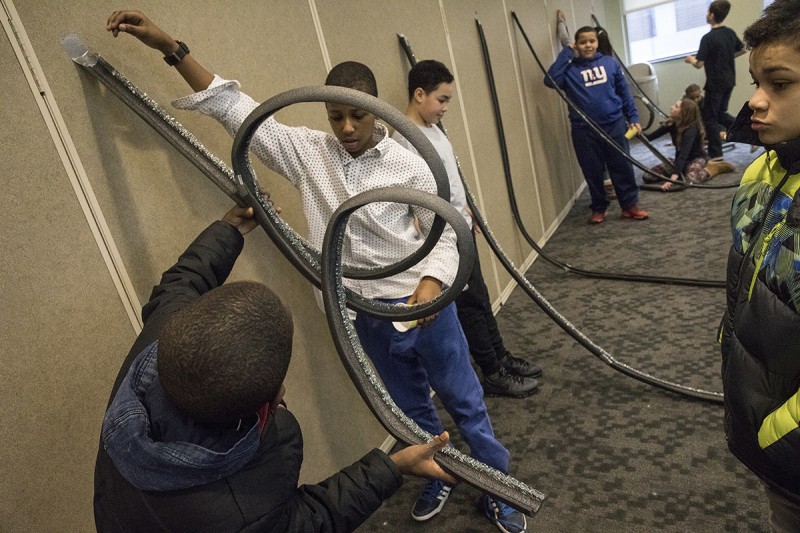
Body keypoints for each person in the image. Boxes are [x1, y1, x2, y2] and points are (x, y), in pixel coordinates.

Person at [106, 10, 527, 532]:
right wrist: (171, 47)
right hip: (363, 314)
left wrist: (430, 283)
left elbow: (444, 234)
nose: (346, 129)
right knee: (406, 412)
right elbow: (235, 108)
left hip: (426, 305)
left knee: (466, 403)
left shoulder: (411, 164)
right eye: (334, 118)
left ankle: (499, 487)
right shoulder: (309, 153)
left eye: (357, 117)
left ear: (376, 111)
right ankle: (437, 474)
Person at [93, 203, 456, 532]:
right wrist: (393, 468)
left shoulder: (160, 339)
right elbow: (312, 521)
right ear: (272, 400)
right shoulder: (245, 511)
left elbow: (182, 282)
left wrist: (227, 230)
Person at [392, 59, 541, 400]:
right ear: (419, 94)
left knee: (481, 297)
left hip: (460, 227)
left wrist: (465, 208)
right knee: (471, 304)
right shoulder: (406, 142)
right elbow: (414, 199)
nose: (446, 108)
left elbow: (447, 181)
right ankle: (491, 372)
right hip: (444, 238)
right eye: (442, 100)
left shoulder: (433, 131)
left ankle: (501, 357)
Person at [721, 0, 800, 529]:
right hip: (769, 434)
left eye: (779, 83)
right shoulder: (763, 174)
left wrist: (780, 436)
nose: (754, 101)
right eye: (755, 81)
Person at [546, 20, 649, 224]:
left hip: (614, 124)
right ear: (576, 45)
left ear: (597, 42)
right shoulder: (568, 71)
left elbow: (624, 93)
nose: (588, 45)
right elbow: (550, 80)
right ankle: (599, 208)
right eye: (583, 42)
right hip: (583, 130)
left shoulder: (610, 63)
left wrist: (633, 118)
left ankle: (629, 206)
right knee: (592, 171)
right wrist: (566, 53)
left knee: (622, 166)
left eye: (591, 41)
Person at [684, 0, 745, 160]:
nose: (706, 14)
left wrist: (690, 59)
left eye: (707, 11)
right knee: (720, 114)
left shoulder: (708, 38)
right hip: (729, 80)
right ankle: (748, 130)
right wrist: (726, 56)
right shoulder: (729, 33)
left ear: (711, 15)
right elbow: (742, 49)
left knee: (709, 118)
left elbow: (699, 64)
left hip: (715, 83)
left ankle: (716, 155)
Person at [644, 97, 734, 191]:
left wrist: (673, 178)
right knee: (648, 176)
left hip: (696, 159)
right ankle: (681, 171)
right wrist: (637, 132)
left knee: (691, 179)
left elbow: (684, 153)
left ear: (684, 113)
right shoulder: (672, 124)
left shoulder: (691, 130)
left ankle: (712, 168)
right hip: (680, 160)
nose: (672, 107)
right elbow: (650, 137)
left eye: (676, 106)